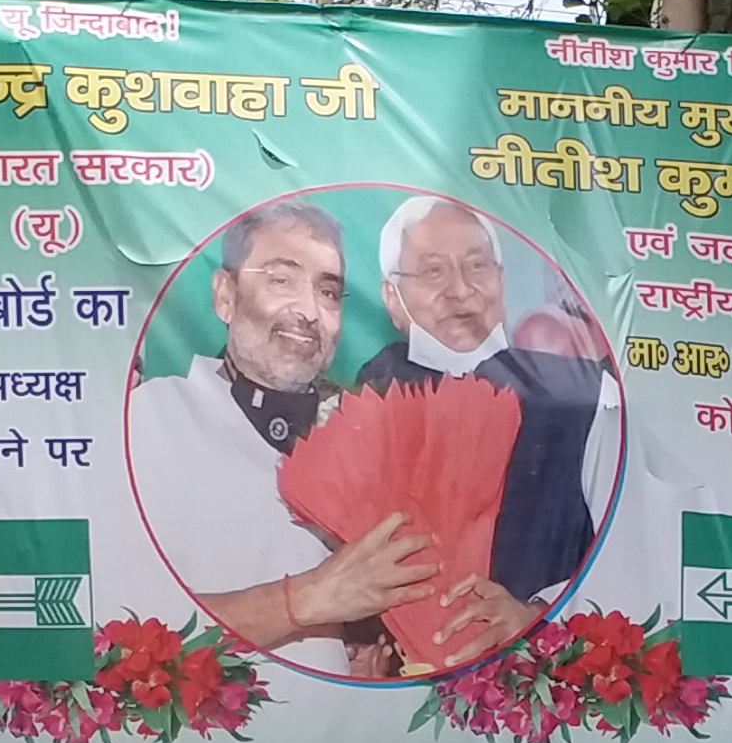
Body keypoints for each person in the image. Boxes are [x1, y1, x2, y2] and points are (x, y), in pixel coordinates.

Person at [119, 200, 488, 671]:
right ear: (225, 296)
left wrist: (385, 656)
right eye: (280, 280)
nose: (309, 311)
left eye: (329, 293)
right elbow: (113, 628)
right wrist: (307, 599)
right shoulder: (146, 422)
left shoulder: (374, 433)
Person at [349, 196, 616, 618]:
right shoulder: (364, 399)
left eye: (476, 266)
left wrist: (537, 616)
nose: (460, 289)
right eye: (433, 270)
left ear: (501, 280)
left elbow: (630, 550)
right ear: (393, 297)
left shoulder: (581, 397)